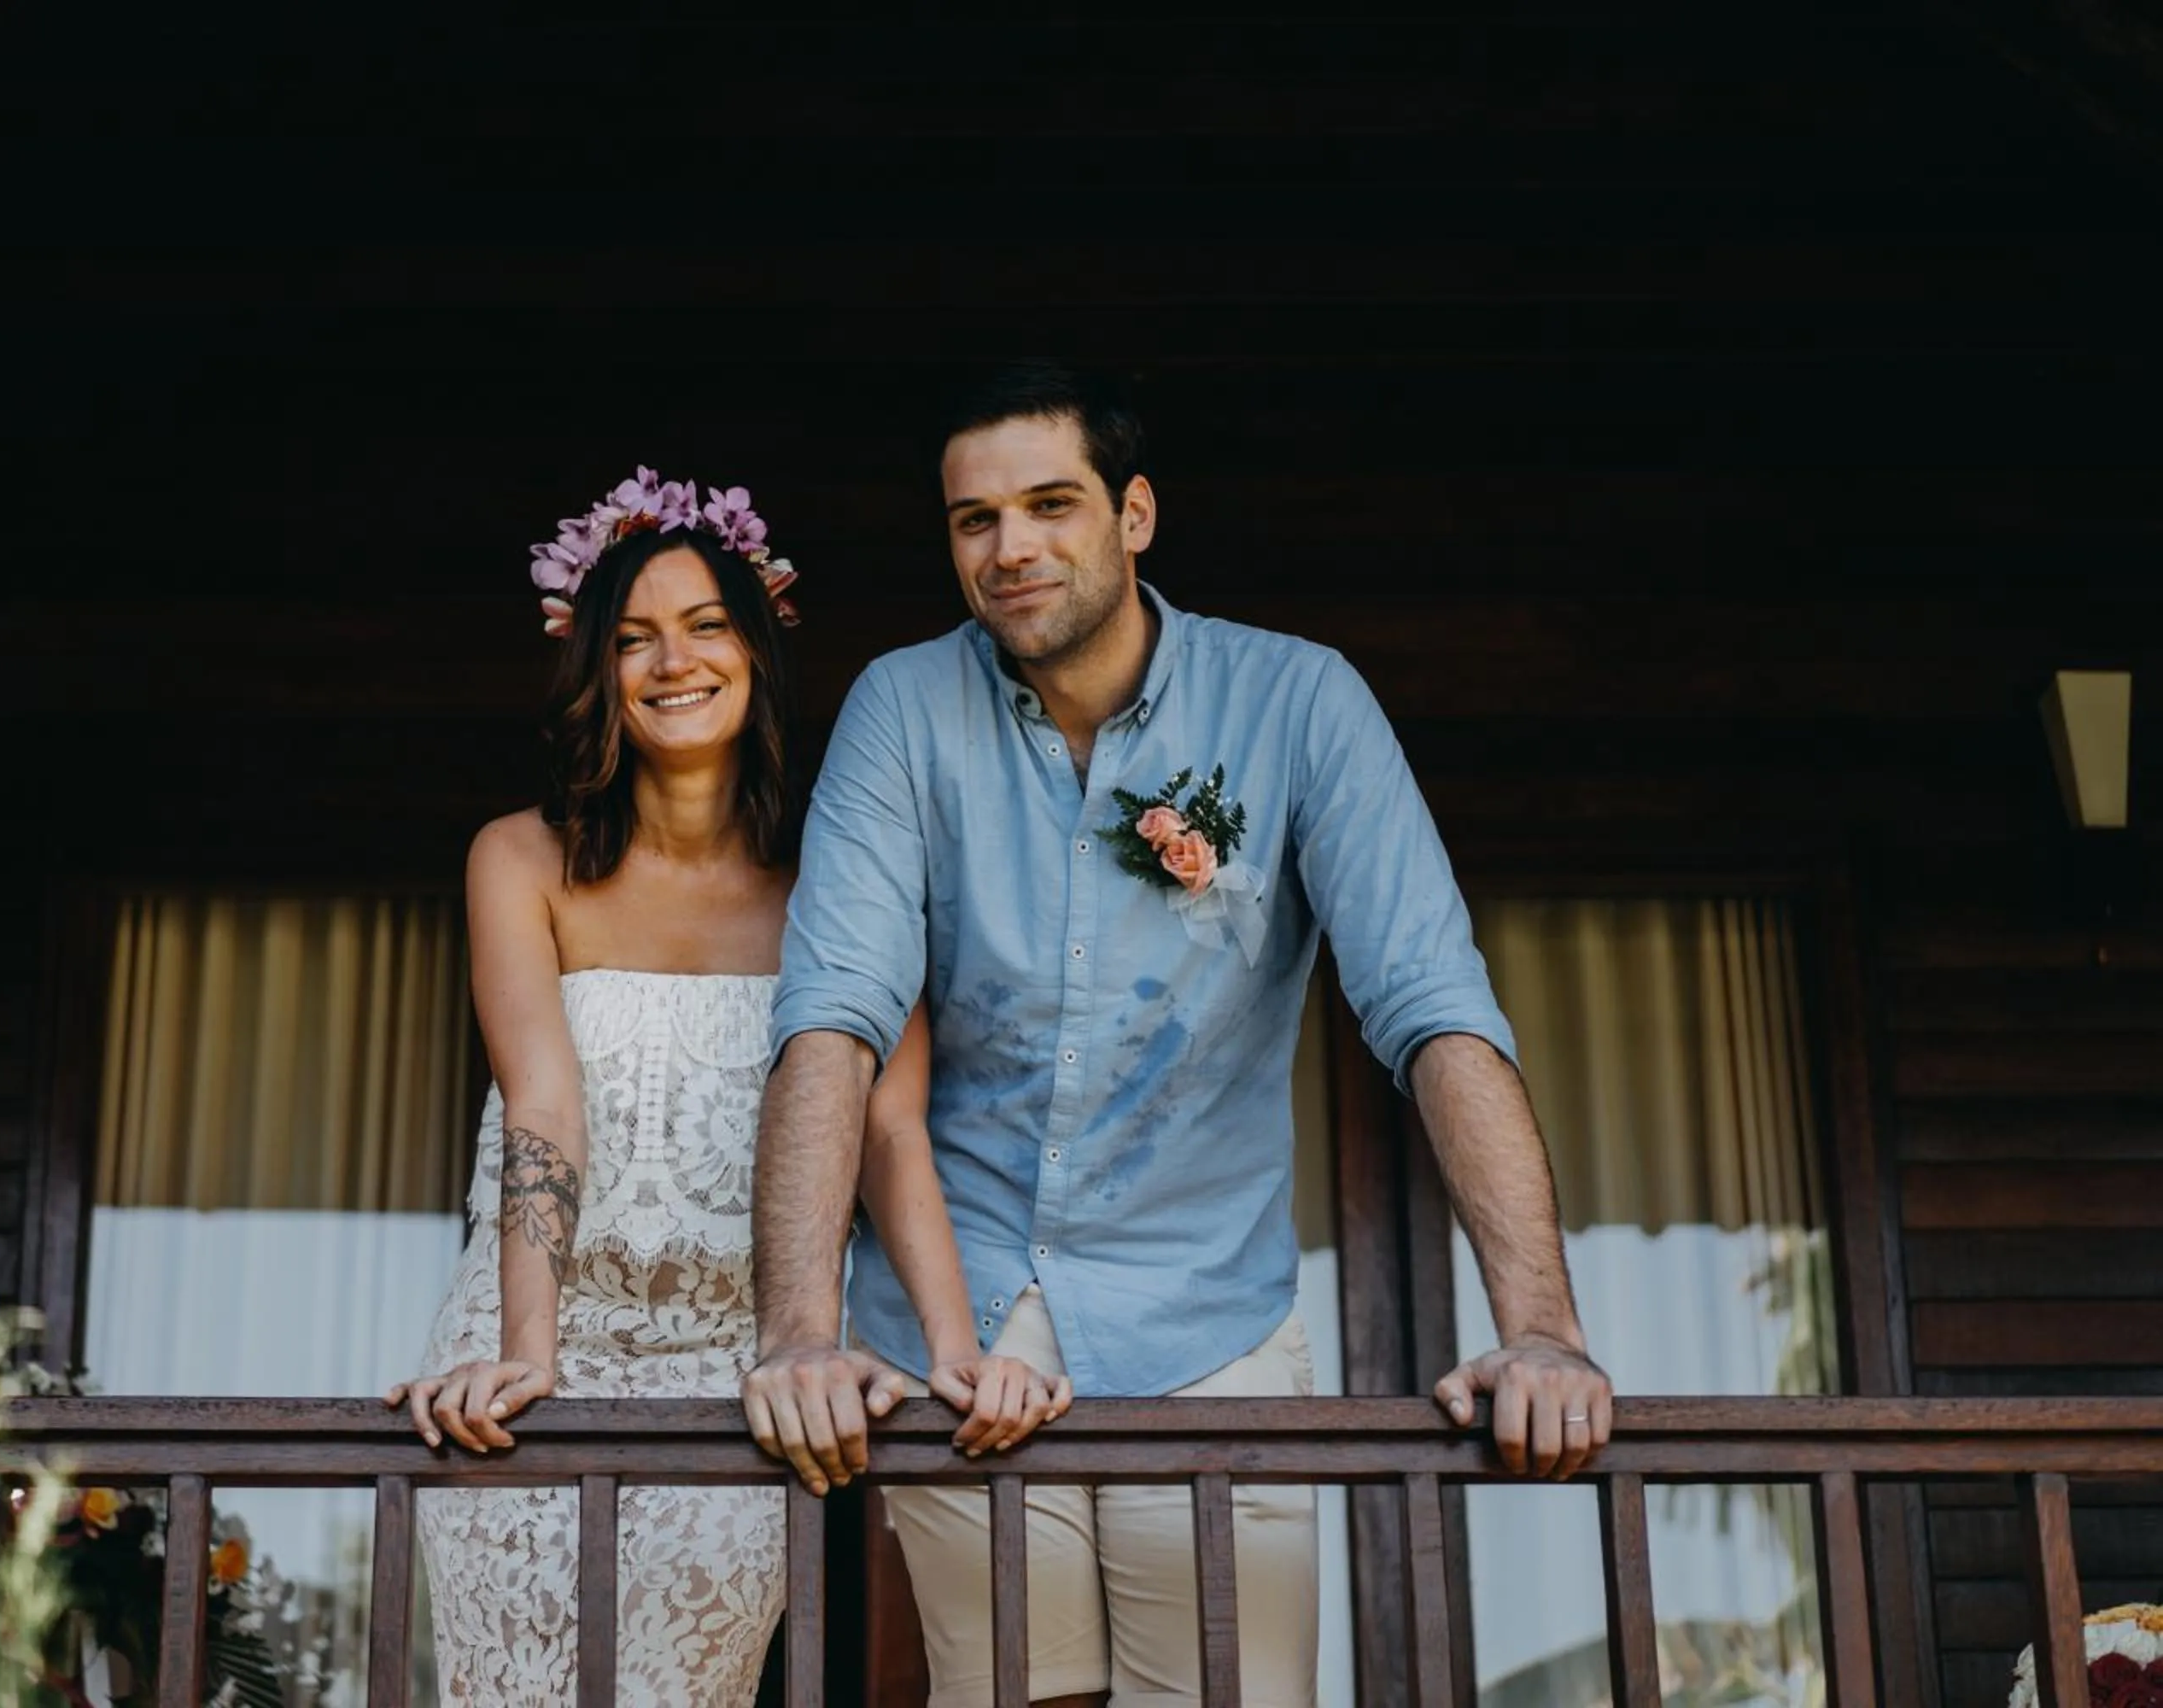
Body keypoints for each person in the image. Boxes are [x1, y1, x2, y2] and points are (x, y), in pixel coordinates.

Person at [744, 366, 1616, 1707]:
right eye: (975, 521)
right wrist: (799, 1331)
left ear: (1135, 514)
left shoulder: (1302, 702)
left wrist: (1543, 1328)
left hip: (1212, 1322)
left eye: (1050, 505)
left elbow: (1433, 1008)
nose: (1012, 547)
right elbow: (834, 1015)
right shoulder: (902, 708)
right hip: (963, 1327)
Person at [384, 469, 1064, 1706]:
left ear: (756, 652)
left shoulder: (842, 885)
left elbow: (893, 1130)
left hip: (736, 1378)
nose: (671, 662)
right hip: (538, 1352)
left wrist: (955, 1349)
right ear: (595, 669)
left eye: (704, 627)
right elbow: (541, 1101)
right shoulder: (518, 859)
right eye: (635, 638)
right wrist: (529, 1358)